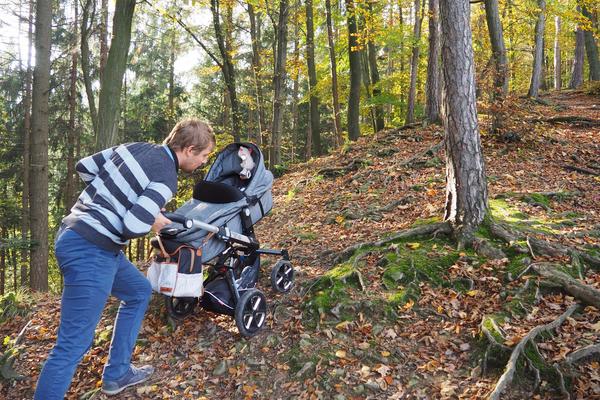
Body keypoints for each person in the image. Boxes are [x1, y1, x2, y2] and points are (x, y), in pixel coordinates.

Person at [34, 118, 215, 399]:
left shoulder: (135, 147)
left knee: (138, 291)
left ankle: (117, 373)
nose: (203, 162)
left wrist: (111, 200)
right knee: (72, 344)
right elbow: (133, 224)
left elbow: (85, 167)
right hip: (91, 249)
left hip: (80, 237)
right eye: (204, 156)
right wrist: (154, 221)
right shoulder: (166, 176)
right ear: (190, 149)